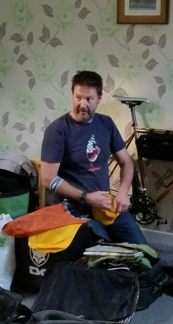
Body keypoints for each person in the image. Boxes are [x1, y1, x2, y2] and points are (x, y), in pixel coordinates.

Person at [40, 70, 147, 244]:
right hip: (72, 209)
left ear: (99, 99)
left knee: (143, 253)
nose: (82, 104)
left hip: (105, 206)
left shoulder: (106, 123)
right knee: (101, 253)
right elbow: (47, 178)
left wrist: (123, 193)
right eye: (78, 97)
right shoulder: (58, 130)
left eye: (88, 99)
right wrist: (86, 197)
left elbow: (126, 161)